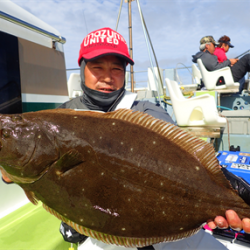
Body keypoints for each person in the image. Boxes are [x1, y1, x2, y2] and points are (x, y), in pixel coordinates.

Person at [57, 27, 250, 250]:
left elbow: (182, 154)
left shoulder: (145, 110)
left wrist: (228, 186)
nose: (108, 77)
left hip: (168, 230)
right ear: (82, 68)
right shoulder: (61, 118)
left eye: (117, 69)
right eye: (97, 67)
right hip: (104, 231)